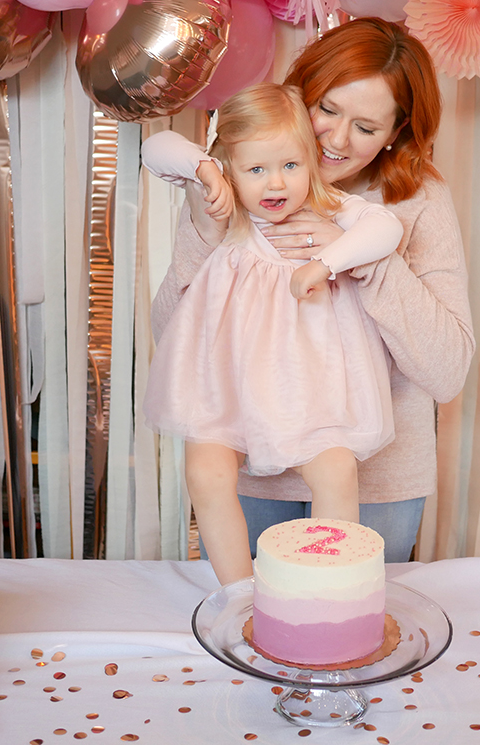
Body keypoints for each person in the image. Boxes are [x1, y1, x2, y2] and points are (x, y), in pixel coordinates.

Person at [145, 17, 475, 564]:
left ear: (397, 132)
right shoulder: (241, 181)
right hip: (253, 471)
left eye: (367, 128)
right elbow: (176, 340)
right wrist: (204, 234)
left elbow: (447, 372)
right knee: (253, 629)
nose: (337, 140)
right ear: (298, 96)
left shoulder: (416, 200)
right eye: (327, 110)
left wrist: (361, 261)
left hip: (375, 482)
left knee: (343, 628)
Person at [142, 82, 403, 584]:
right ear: (230, 169)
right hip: (227, 383)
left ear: (310, 159)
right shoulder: (226, 206)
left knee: (336, 472)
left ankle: (327, 592)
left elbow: (385, 229)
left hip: (313, 386)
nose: (275, 184)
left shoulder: (329, 208)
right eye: (255, 169)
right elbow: (157, 148)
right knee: (206, 472)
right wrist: (204, 171)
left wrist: (325, 263)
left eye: (290, 165)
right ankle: (240, 594)